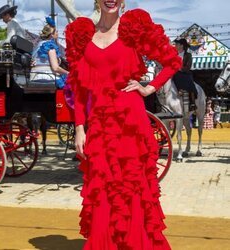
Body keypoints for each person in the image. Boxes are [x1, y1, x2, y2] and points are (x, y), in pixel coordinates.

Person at [65, 0, 182, 249]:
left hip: (131, 122)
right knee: (102, 187)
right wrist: (79, 128)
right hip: (99, 123)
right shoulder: (82, 34)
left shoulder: (134, 29)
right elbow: (78, 89)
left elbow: (172, 61)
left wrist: (149, 87)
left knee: (132, 186)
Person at [30, 17, 69, 88]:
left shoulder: (37, 45)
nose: (57, 33)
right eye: (56, 32)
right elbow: (55, 68)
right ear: (51, 35)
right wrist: (68, 73)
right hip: (47, 78)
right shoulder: (49, 46)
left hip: (34, 77)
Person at [173, 38, 198, 111]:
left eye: (177, 44)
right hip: (174, 73)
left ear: (181, 45)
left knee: (190, 83)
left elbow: (188, 66)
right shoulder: (174, 55)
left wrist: (179, 69)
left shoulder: (188, 55)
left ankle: (192, 103)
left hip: (185, 73)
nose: (175, 46)